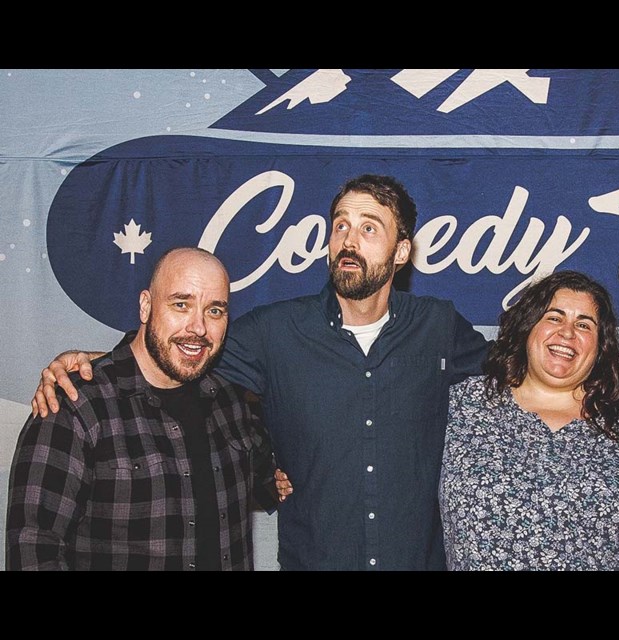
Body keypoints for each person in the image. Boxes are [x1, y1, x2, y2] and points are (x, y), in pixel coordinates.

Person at [32, 175, 491, 571]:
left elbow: (513, 375)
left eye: (369, 229)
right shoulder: (273, 332)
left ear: (401, 252)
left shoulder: (438, 327)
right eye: (340, 226)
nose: (348, 241)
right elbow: (183, 351)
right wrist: (90, 360)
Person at [7, 247, 278, 570]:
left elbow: (279, 476)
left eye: (215, 311)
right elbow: (34, 551)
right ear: (146, 306)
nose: (199, 328)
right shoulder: (75, 406)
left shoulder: (231, 403)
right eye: (181, 304)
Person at [438, 271, 619, 570]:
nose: (567, 333)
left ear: (600, 345)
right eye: (554, 318)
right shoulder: (462, 406)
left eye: (584, 324)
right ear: (528, 328)